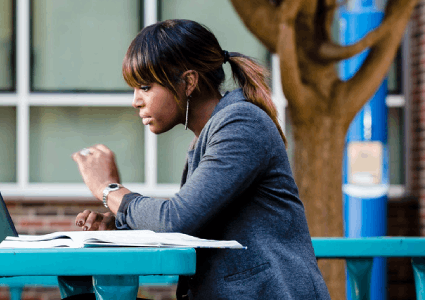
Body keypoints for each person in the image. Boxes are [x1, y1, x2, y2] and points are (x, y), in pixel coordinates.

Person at [70, 19, 330, 299]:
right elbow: (190, 225)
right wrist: (122, 224)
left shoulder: (241, 124)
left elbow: (176, 219)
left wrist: (108, 190)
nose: (136, 100)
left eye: (145, 87)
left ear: (189, 82)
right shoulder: (209, 136)